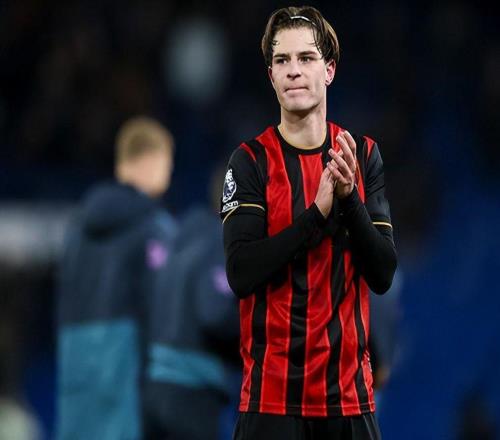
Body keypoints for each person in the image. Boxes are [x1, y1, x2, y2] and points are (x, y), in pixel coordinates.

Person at [220, 6, 397, 440]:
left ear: (329, 70)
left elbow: (382, 273)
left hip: (349, 402)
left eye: (306, 58)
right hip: (272, 404)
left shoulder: (362, 155)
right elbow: (241, 273)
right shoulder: (250, 161)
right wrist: (316, 215)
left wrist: (348, 199)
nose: (294, 70)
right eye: (282, 60)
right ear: (271, 76)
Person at [56, 116, 176, 440]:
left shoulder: (77, 228)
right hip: (126, 367)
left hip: (74, 361)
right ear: (154, 160)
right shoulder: (153, 226)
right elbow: (162, 309)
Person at [143, 166, 240, 440]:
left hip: (155, 386)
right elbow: (214, 314)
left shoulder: (179, 237)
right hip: (191, 389)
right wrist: (255, 338)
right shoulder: (223, 239)